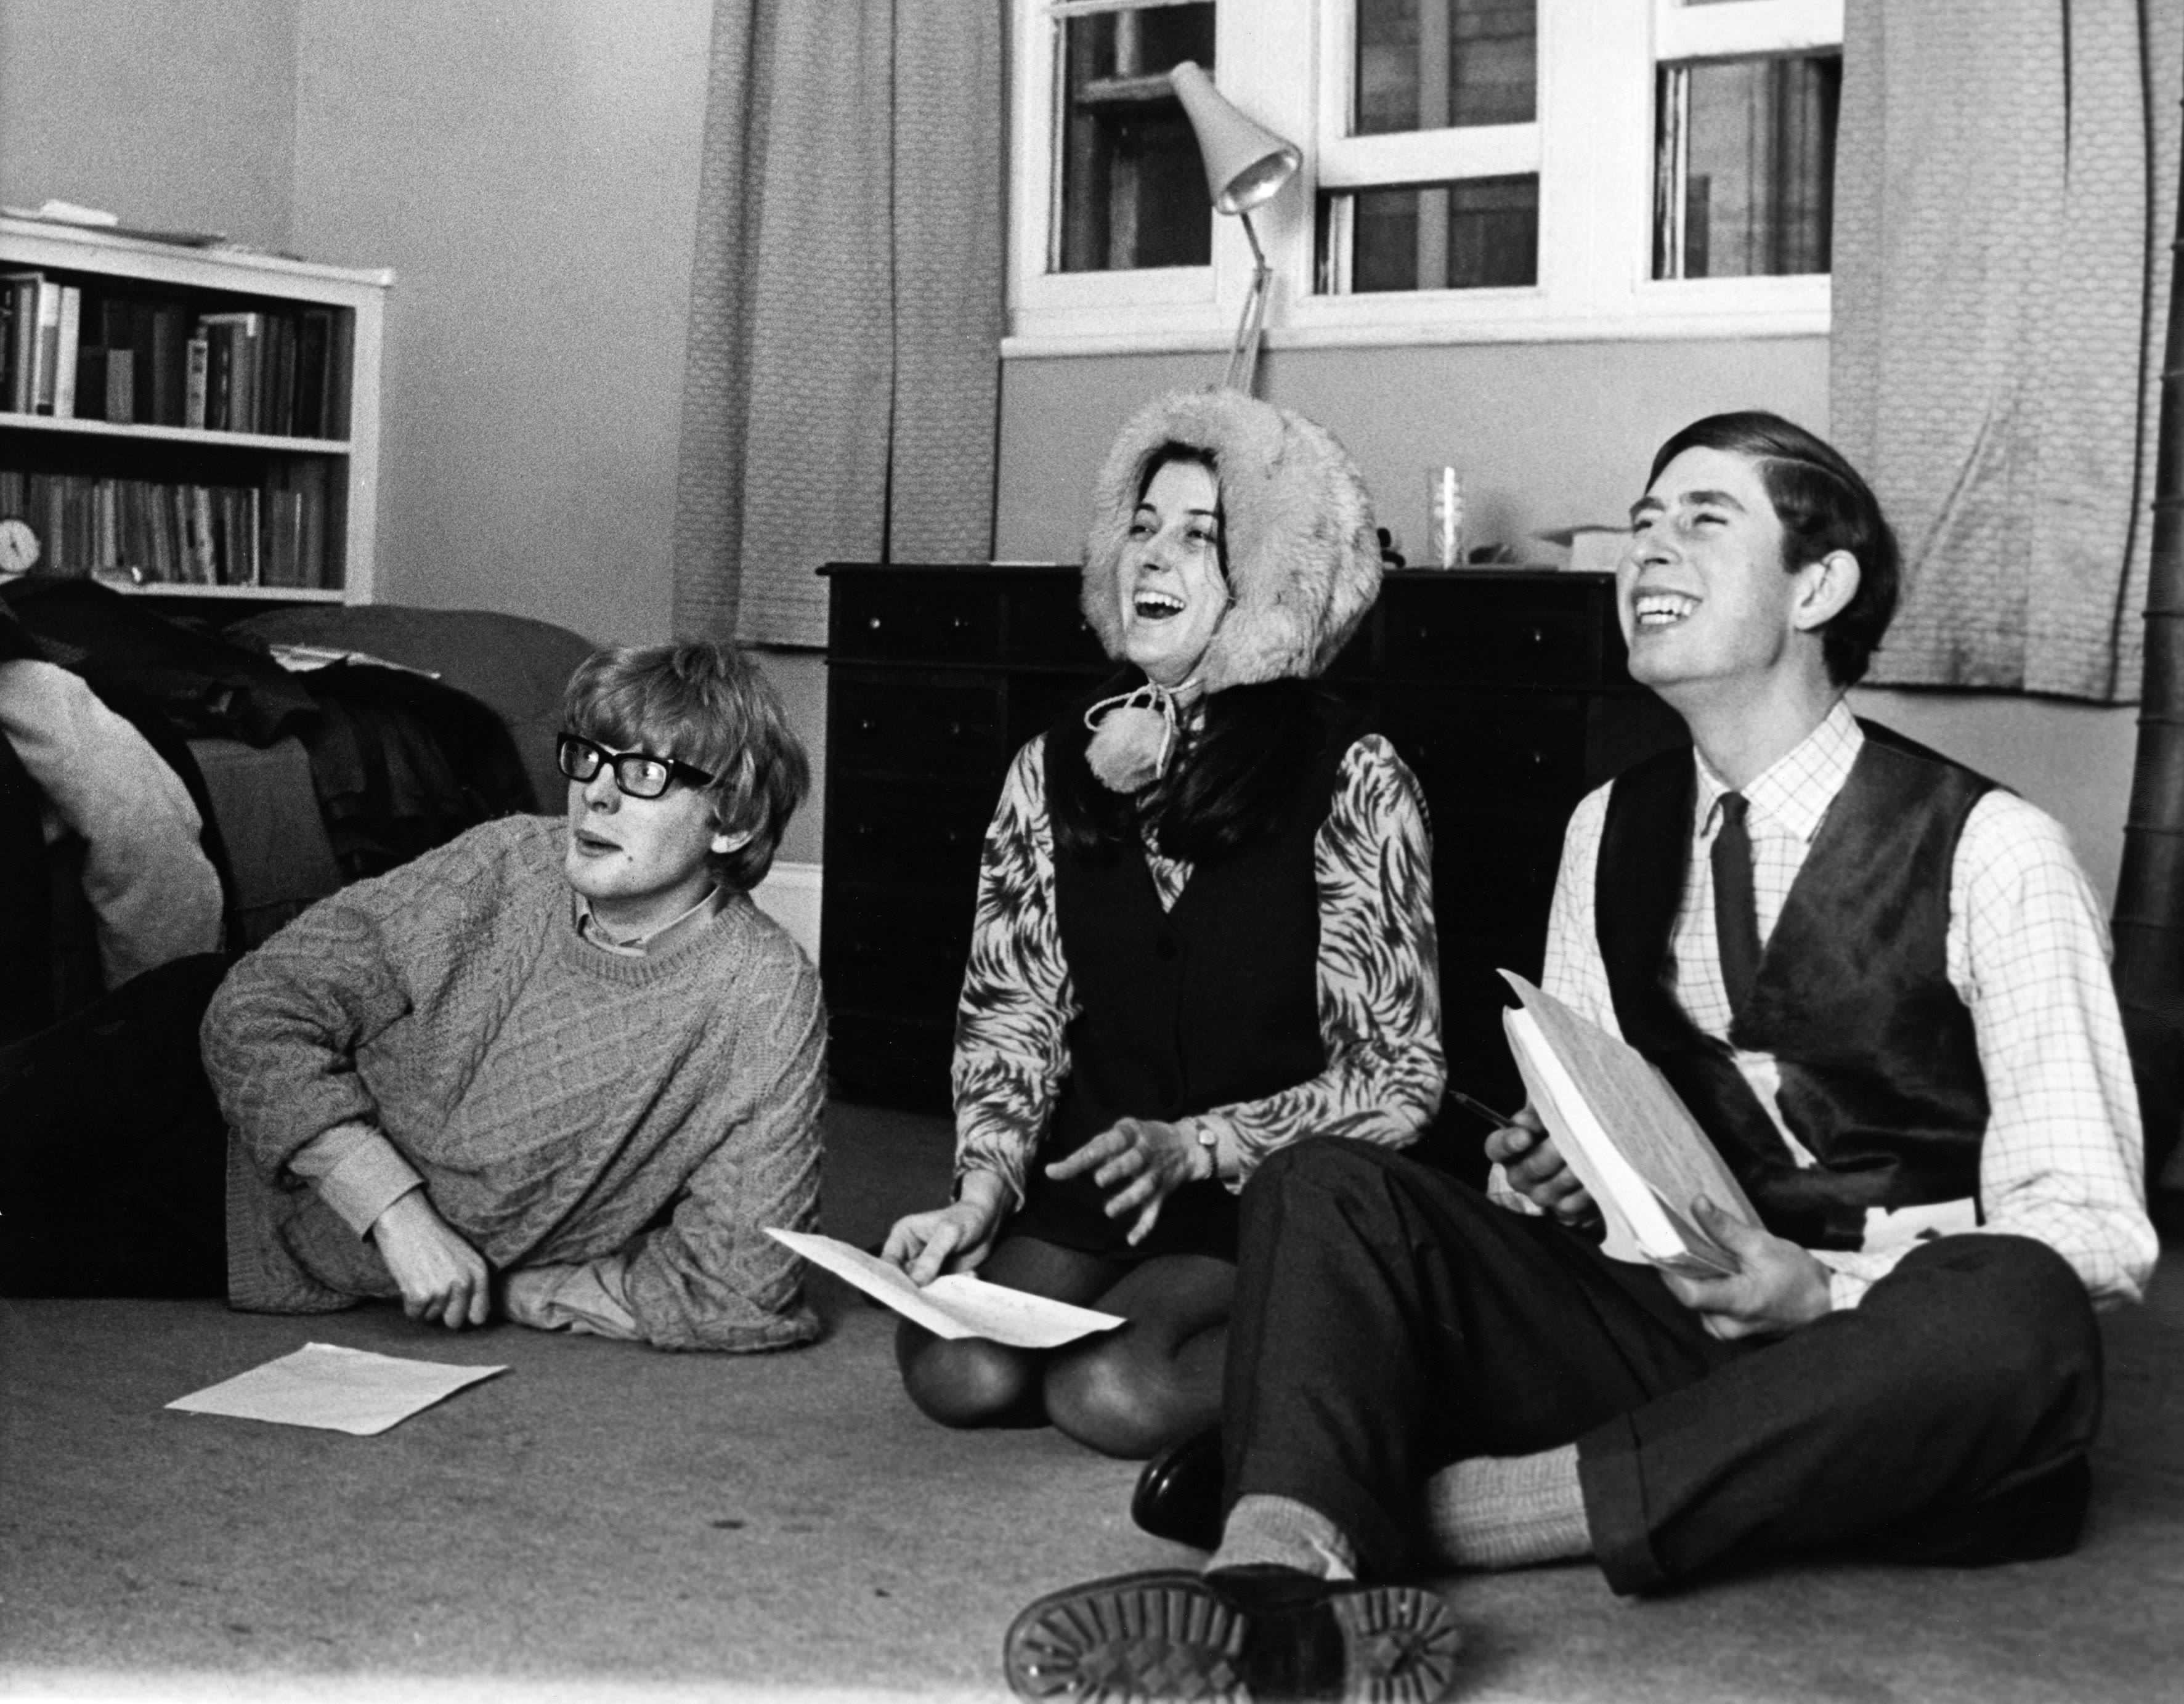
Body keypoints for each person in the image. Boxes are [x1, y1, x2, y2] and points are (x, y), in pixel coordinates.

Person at [1001, 412, 2158, 1703]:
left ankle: (1449, 1512)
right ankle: (1277, 1587)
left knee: (2018, 1312)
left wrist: (1817, 1295)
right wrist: (1550, 1175)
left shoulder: (1996, 851)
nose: (1645, 548)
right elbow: (1593, 1125)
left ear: (1815, 587)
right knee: (1324, 1184)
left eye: (1701, 521)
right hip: (1660, 1325)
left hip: (1877, 1350)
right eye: (1642, 518)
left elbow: (2093, 1231)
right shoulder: (1606, 825)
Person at [882, 388, 1445, 1459]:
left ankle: (1371, 1336)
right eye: (1142, 528)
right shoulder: (1050, 767)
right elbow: (1012, 1014)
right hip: (1103, 1175)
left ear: (1278, 576)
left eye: (1200, 537)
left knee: (1117, 1395)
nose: (1153, 560)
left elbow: (1398, 1076)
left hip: (1278, 1190)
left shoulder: (1355, 776)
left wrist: (1202, 1147)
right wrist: (979, 1195)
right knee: (956, 1368)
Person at [52, 639, 827, 1350]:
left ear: (731, 822)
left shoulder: (761, 999)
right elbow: (258, 1005)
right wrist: (398, 1216)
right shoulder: (507, 861)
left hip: (230, 1232)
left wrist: (523, 1290)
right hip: (183, 1088)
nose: (595, 796)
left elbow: (739, 1292)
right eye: (587, 759)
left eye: (643, 775)